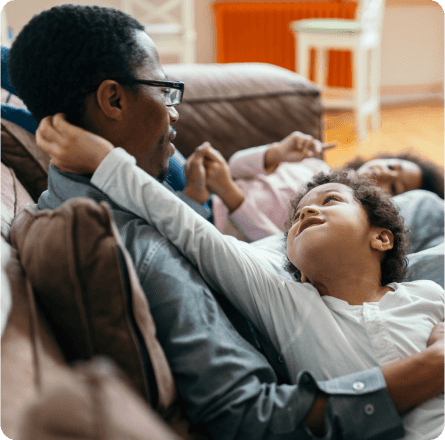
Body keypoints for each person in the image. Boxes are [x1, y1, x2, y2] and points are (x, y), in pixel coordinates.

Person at [8, 5, 443, 439]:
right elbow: (250, 415)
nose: (175, 112)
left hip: (290, 264)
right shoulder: (145, 253)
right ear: (114, 99)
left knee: (420, 206)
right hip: (305, 299)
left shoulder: (81, 187)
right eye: (165, 90)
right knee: (423, 207)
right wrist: (431, 367)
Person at [35, 116, 445, 440]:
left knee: (427, 208)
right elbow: (192, 233)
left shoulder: (426, 292)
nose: (304, 213)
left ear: (381, 236)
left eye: (330, 201)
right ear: (293, 262)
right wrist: (106, 162)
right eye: (298, 215)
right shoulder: (289, 303)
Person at [185, 138, 444, 242]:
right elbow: (234, 167)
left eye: (394, 186)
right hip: (205, 188)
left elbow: (278, 245)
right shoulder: (315, 163)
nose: (385, 173)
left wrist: (231, 196)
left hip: (212, 224)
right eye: (392, 166)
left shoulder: (341, 216)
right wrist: (277, 152)